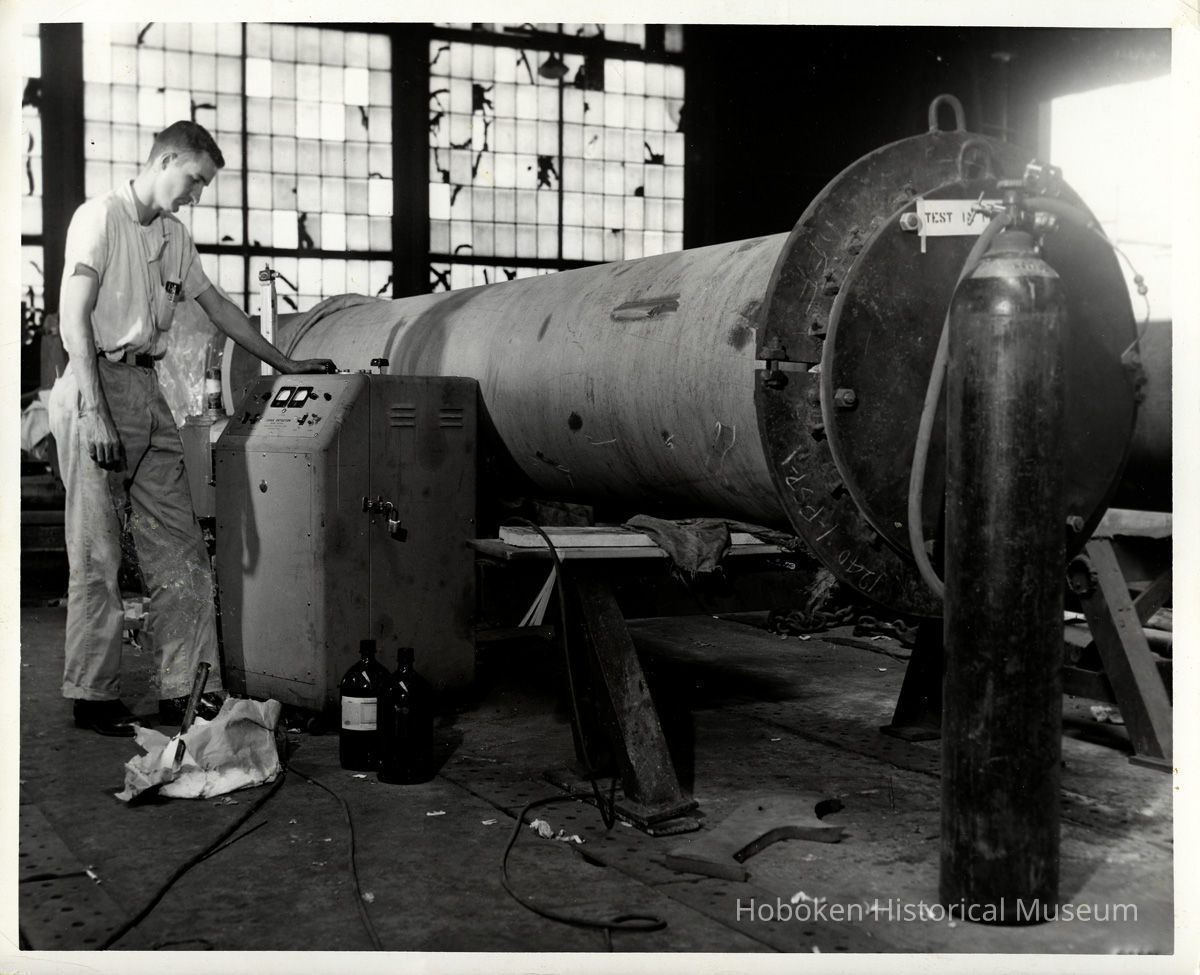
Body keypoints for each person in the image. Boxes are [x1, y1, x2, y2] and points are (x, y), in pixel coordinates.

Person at [49, 120, 337, 736]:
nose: (197, 195)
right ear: (167, 159)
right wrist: (94, 410)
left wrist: (285, 362)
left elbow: (220, 308)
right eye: (196, 180)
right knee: (97, 550)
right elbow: (73, 315)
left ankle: (185, 688)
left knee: (180, 549)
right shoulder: (100, 217)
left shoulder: (176, 238)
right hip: (93, 380)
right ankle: (92, 694)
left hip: (148, 390)